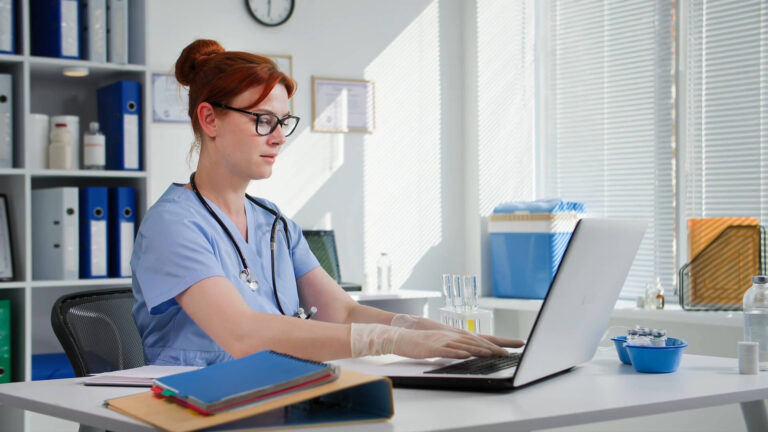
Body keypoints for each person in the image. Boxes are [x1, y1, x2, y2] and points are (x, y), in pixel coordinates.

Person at [131, 39, 523, 366]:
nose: (279, 138)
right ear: (210, 119)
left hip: (274, 395)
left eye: (282, 122)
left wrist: (427, 331)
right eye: (263, 120)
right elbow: (241, 333)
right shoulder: (174, 224)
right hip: (193, 407)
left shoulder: (274, 222)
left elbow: (343, 311)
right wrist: (385, 341)